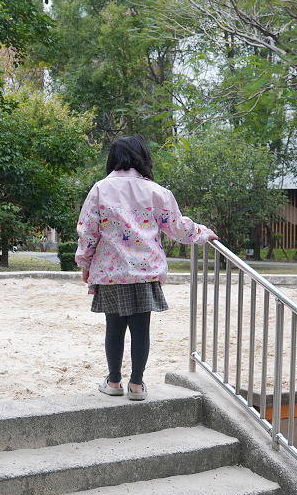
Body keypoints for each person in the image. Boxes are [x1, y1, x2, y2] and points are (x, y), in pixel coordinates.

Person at [77, 135, 215, 401]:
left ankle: (114, 381)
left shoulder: (99, 190)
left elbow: (88, 231)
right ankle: (137, 385)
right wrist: (202, 232)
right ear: (142, 157)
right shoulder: (156, 191)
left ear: (113, 158)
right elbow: (176, 226)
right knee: (141, 330)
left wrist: (85, 262)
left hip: (111, 273)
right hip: (144, 273)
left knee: (113, 328)